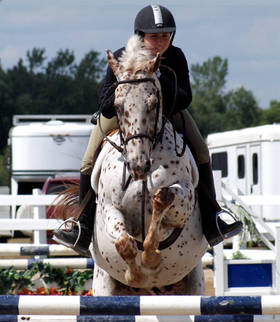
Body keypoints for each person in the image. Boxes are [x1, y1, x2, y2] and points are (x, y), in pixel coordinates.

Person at [54, 4, 242, 256]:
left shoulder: (176, 57)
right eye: (155, 36)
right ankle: (82, 224)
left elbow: (186, 98)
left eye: (165, 36)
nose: (161, 41)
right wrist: (127, 95)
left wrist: (160, 78)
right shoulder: (123, 55)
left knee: (201, 151)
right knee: (89, 159)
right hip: (125, 115)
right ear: (140, 35)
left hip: (167, 112)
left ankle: (213, 217)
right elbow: (104, 101)